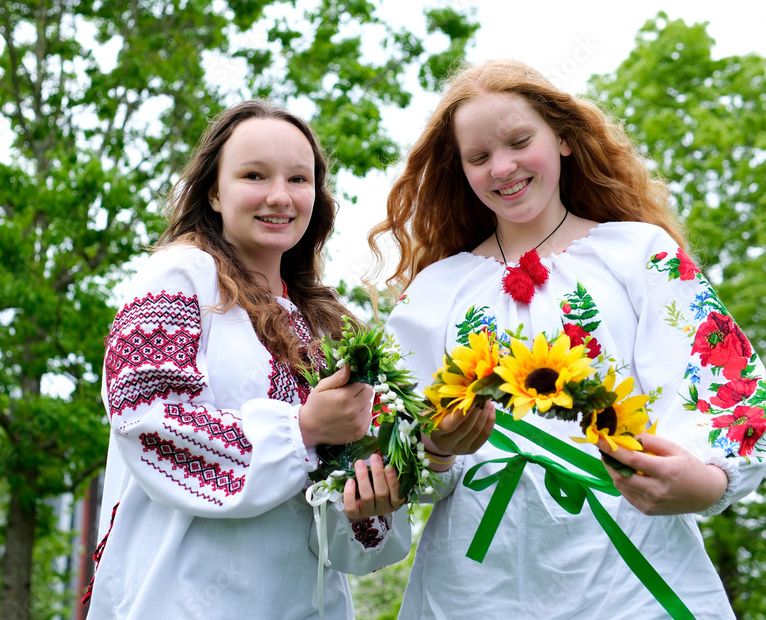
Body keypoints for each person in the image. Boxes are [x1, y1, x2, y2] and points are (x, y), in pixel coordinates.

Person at [370, 60, 766, 619]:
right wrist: (435, 448)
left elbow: (724, 382)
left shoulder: (638, 253)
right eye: (479, 157)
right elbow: (386, 440)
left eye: (519, 141)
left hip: (632, 570)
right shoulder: (437, 291)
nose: (502, 167)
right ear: (461, 171)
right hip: (478, 582)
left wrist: (708, 481)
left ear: (562, 137)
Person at [83, 99, 409, 620]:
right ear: (214, 191)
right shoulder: (179, 277)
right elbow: (146, 420)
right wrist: (300, 431)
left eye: (299, 180)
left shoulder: (328, 326)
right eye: (255, 175)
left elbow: (346, 543)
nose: (279, 196)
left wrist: (372, 494)